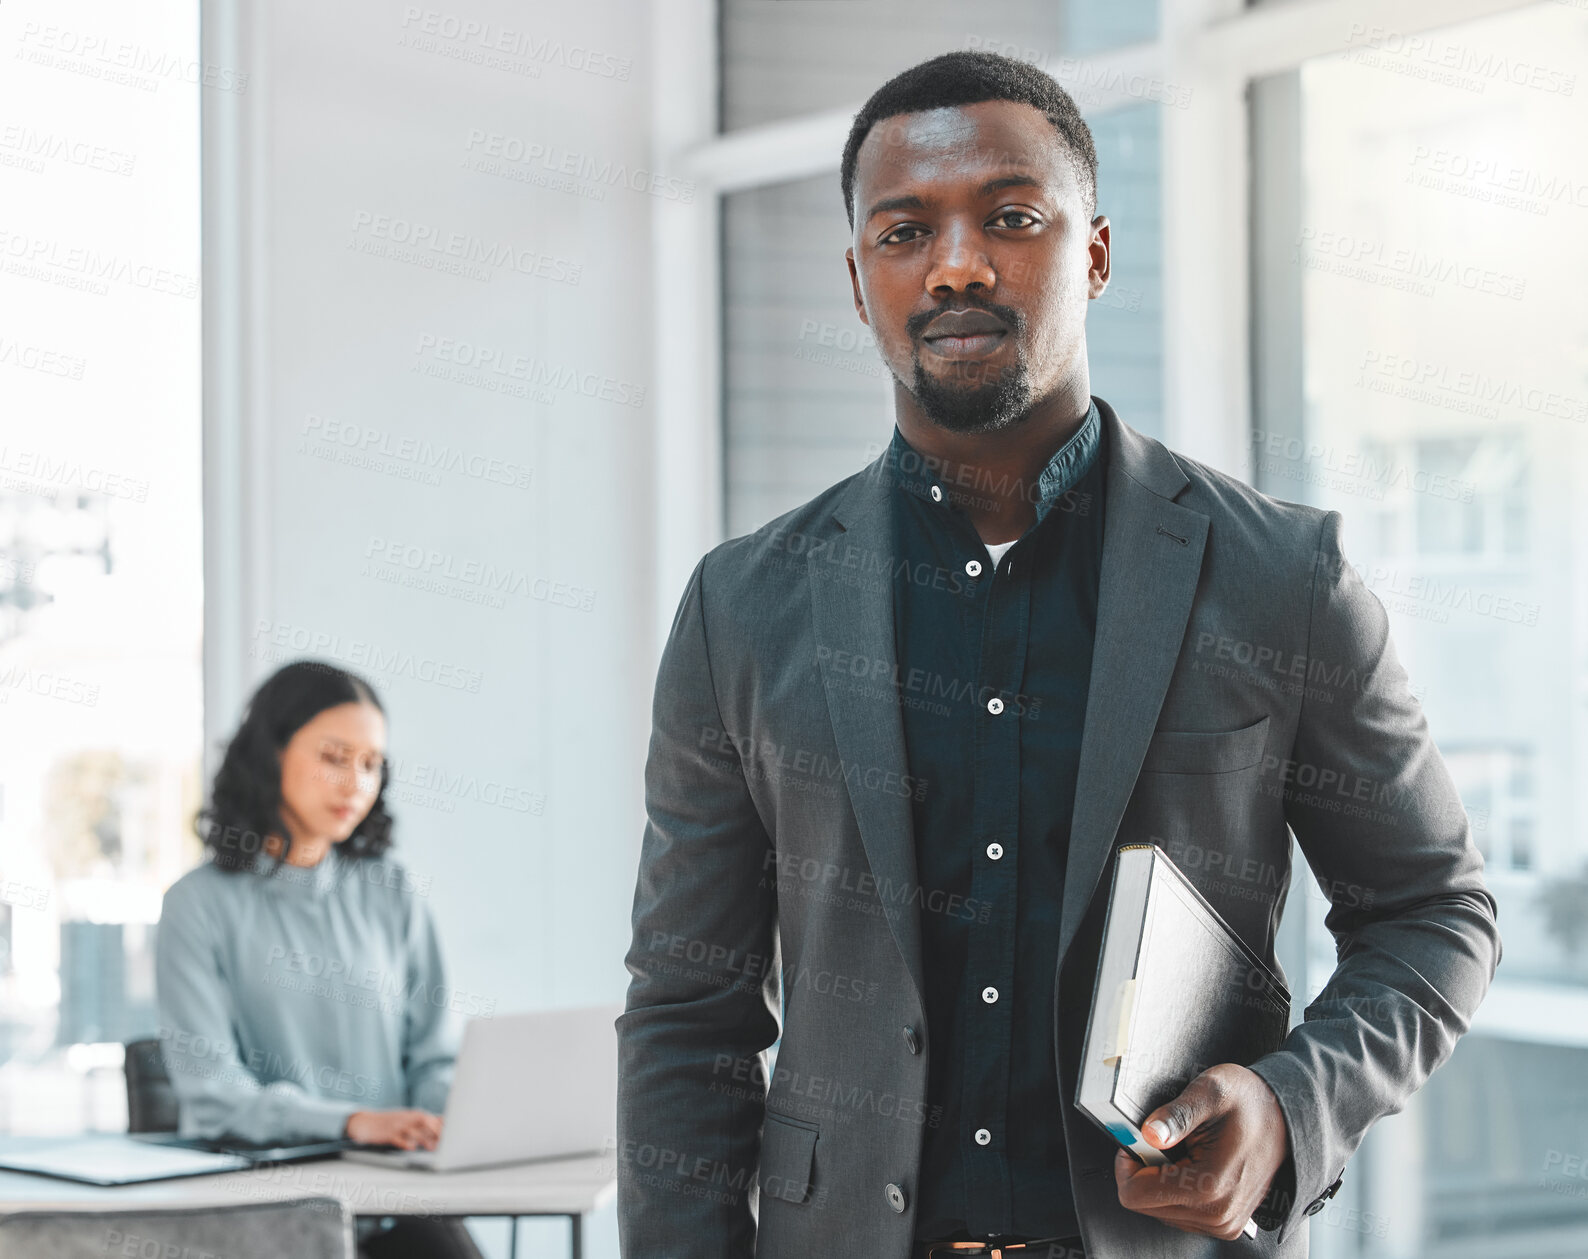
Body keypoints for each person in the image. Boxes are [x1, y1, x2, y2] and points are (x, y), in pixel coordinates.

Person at [616, 50, 1501, 1259]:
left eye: (1011, 217)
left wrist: (1292, 1104)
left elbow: (1431, 911)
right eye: (904, 230)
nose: (958, 263)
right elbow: (686, 1012)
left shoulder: (1284, 579)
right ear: (860, 278)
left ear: (1090, 252)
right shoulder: (741, 605)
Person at [156, 660, 481, 1259]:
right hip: (271, 1208)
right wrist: (352, 1120)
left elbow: (433, 1058)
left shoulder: (394, 890)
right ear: (272, 753)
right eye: (334, 757)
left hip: (395, 1199)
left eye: (370, 763)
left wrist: (461, 1116)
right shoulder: (196, 906)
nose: (356, 783)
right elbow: (213, 1096)